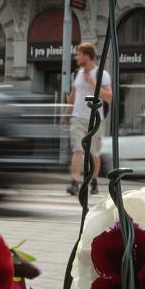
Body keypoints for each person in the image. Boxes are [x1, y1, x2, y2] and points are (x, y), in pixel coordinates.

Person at [61, 42, 113, 196]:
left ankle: (94, 180)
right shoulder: (77, 73)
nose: (76, 57)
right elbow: (73, 95)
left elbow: (109, 97)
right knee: (78, 149)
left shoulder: (102, 74)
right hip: (77, 118)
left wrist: (93, 83)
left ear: (87, 56)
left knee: (93, 154)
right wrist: (66, 114)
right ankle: (75, 182)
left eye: (79, 54)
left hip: (95, 119)